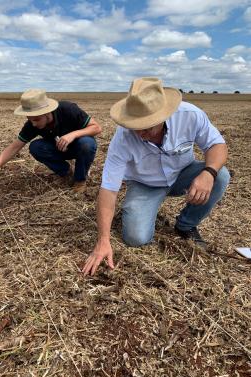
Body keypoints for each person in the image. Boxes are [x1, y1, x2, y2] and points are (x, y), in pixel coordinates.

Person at [82, 77, 230, 276]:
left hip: (182, 175)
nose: (140, 133)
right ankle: (137, 210)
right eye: (136, 126)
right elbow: (108, 188)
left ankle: (186, 225)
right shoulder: (123, 137)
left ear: (164, 115)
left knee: (220, 175)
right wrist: (103, 241)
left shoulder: (190, 115)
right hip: (145, 184)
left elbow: (217, 145)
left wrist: (208, 173)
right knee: (136, 238)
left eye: (147, 127)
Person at [0, 89, 101, 193]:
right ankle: (67, 173)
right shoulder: (32, 124)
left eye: (36, 119)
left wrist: (73, 135)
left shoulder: (67, 109)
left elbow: (96, 128)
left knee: (87, 143)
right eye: (30, 119)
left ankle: (80, 180)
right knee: (36, 147)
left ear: (47, 112)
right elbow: (15, 146)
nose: (33, 124)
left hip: (79, 148)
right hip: (59, 149)